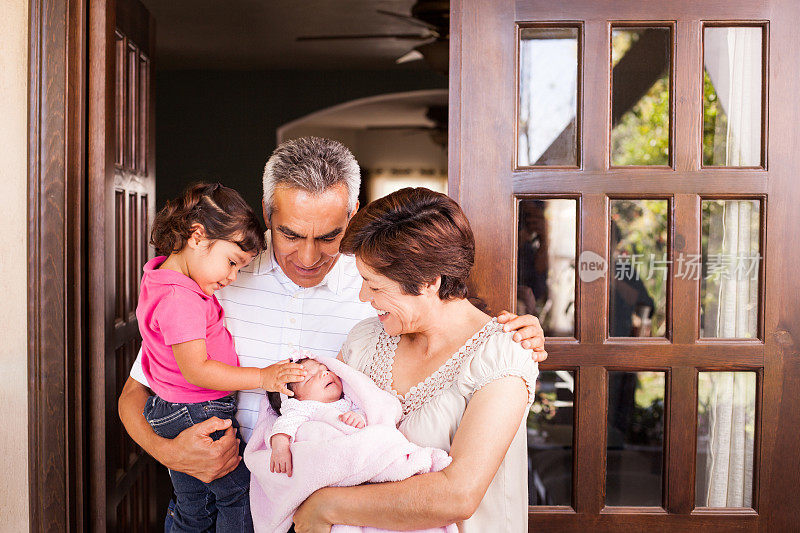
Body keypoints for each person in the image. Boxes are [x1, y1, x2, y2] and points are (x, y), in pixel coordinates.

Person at [117, 137, 547, 528]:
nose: (307, 256)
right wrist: (170, 453)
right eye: (290, 234)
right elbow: (136, 394)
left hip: (326, 512)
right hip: (227, 501)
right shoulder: (218, 276)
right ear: (268, 214)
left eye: (328, 237)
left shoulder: (377, 292)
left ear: (351, 216)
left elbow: (452, 326)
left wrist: (511, 340)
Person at [292, 187, 538, 532]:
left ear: (429, 282)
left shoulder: (500, 357)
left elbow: (458, 496)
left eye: (375, 286)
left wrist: (325, 506)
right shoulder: (364, 340)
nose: (364, 297)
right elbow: (316, 428)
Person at [136, 182, 307, 531]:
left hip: (174, 408)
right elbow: (197, 370)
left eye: (240, 268)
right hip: (197, 410)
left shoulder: (163, 281)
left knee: (194, 505)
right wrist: (263, 377)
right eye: (231, 262)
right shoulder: (180, 300)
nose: (231, 277)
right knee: (237, 495)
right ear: (197, 236)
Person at [267, 357, 366, 477]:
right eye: (309, 379)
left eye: (325, 369)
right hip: (326, 459)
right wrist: (280, 448)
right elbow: (285, 425)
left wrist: (359, 418)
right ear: (295, 399)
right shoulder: (303, 407)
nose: (325, 373)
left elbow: (367, 412)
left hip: (356, 454)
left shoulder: (349, 398)